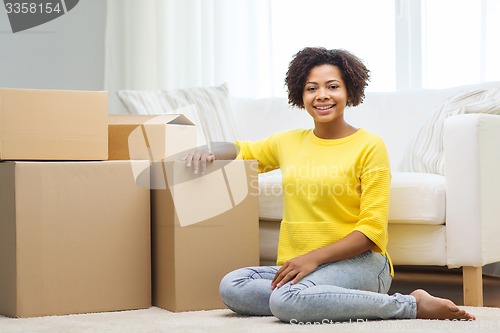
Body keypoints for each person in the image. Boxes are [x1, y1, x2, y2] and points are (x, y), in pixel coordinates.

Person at [184, 47, 475, 323]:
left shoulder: (369, 146)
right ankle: (318, 298)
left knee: (285, 300)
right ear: (301, 94)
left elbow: (372, 232)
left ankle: (410, 304)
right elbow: (241, 150)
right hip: (299, 268)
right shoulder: (287, 142)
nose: (322, 96)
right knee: (232, 285)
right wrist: (207, 148)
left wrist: (311, 260)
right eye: (312, 88)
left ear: (349, 90)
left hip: (361, 264)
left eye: (332, 86)